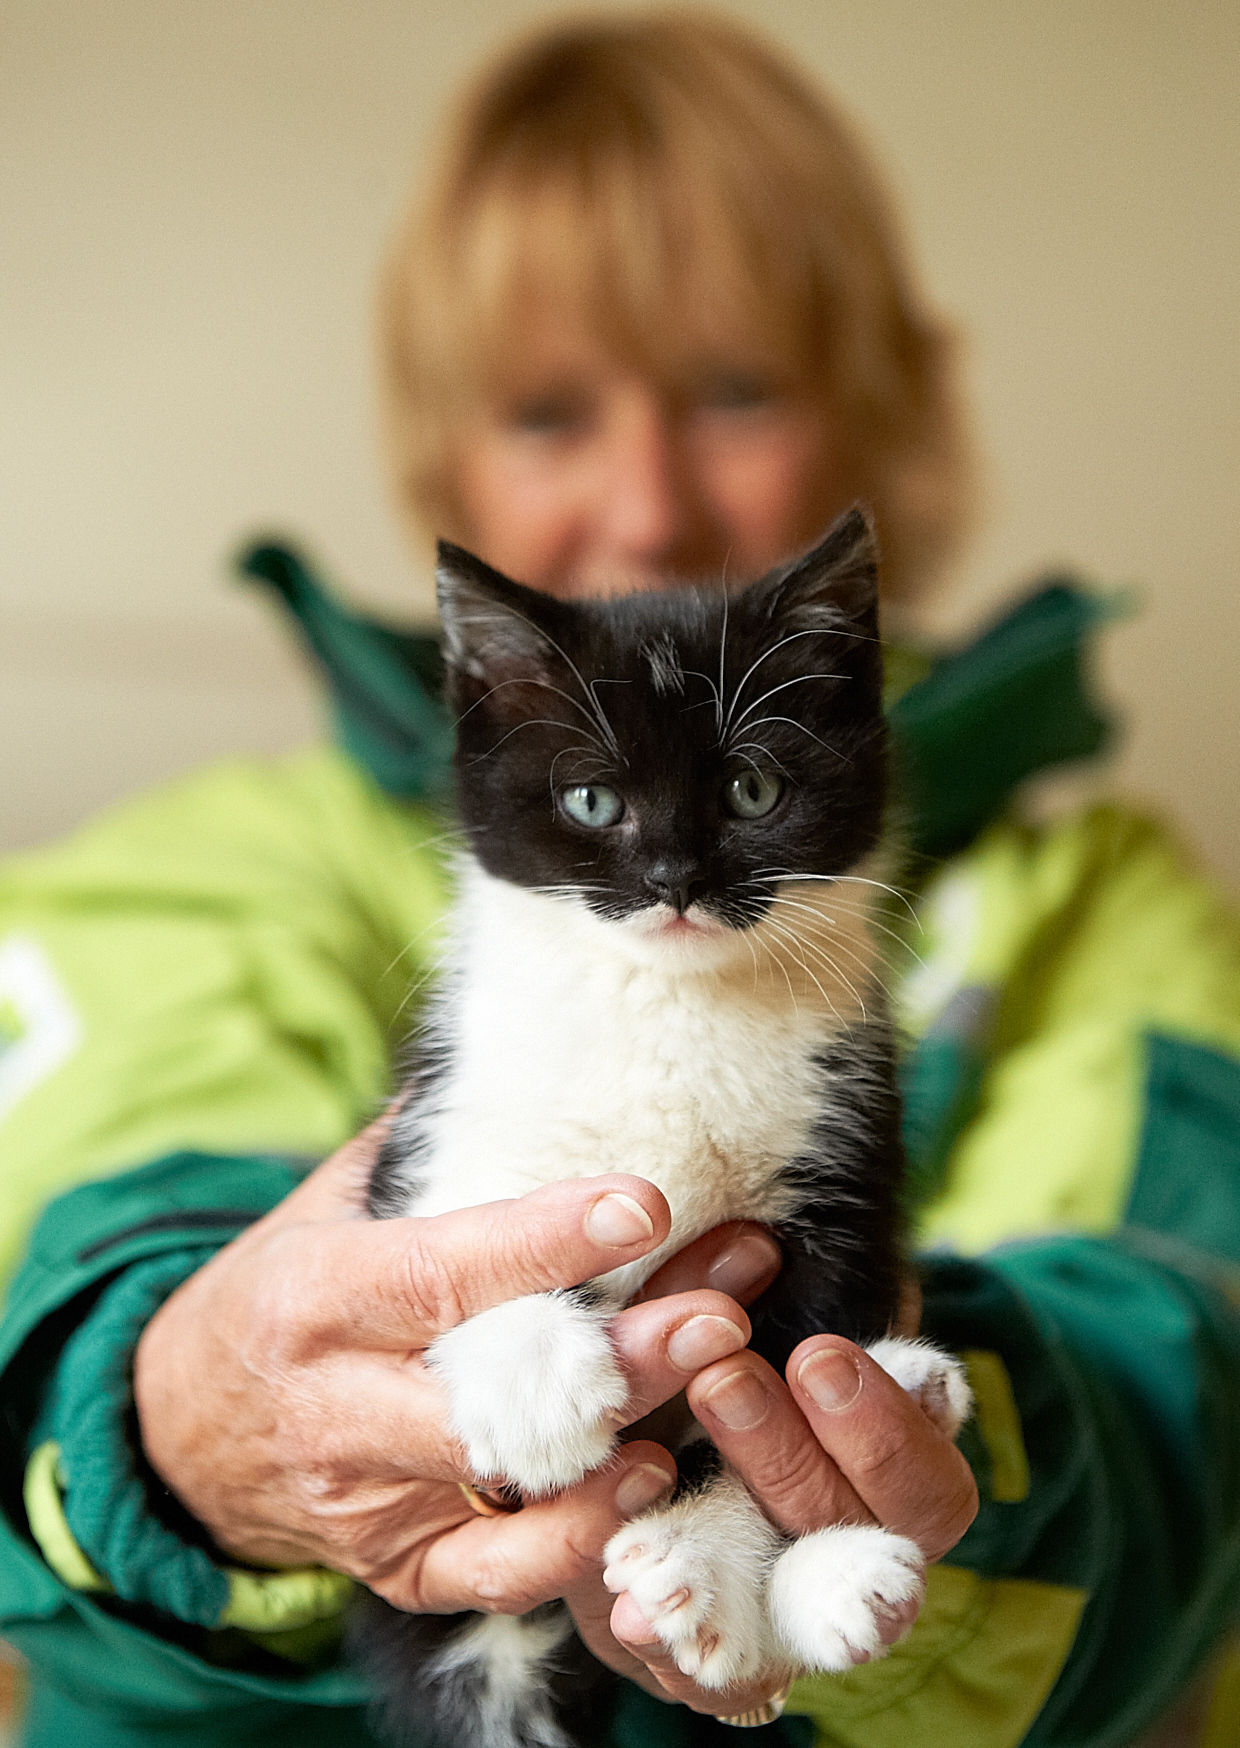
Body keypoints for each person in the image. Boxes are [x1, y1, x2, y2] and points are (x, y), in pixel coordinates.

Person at [1, 11, 1238, 1747]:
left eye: (735, 390)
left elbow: (1201, 1369)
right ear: (442, 454)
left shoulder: (1092, 900)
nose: (648, 503)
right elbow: (104, 1212)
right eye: (549, 410)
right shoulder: (224, 868)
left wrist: (875, 1431)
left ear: (889, 412)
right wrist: (167, 1411)